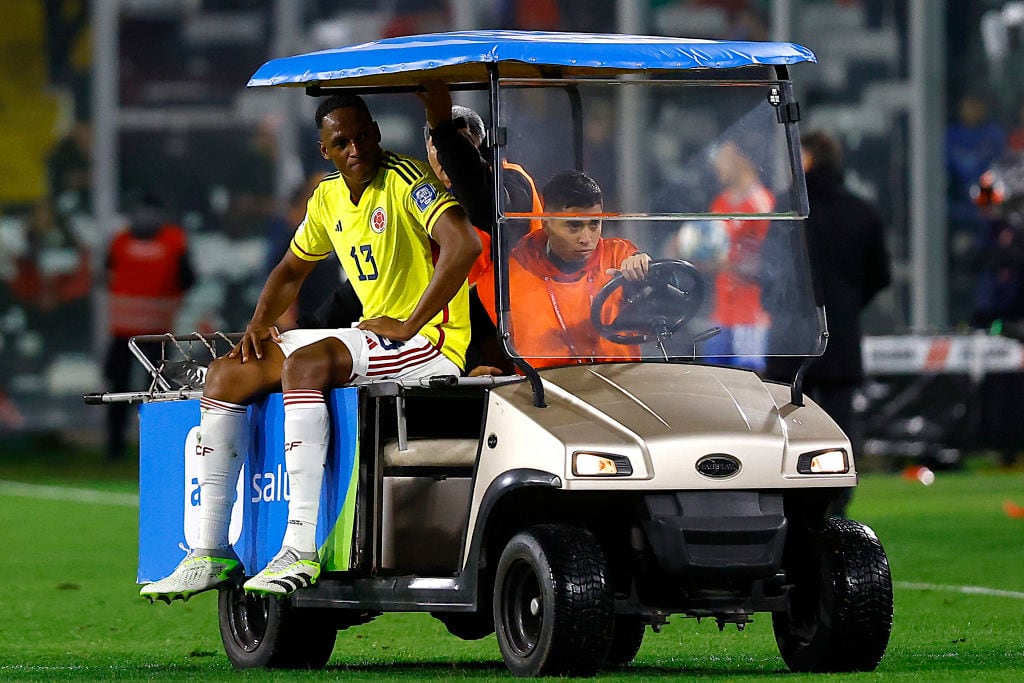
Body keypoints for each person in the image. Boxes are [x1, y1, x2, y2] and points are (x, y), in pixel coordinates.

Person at [140, 93, 481, 601]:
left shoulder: (409, 181)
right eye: (341, 141)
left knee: (305, 367)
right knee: (227, 374)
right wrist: (258, 324)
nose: (355, 148)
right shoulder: (325, 198)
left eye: (363, 136)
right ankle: (209, 550)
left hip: (430, 342)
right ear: (324, 149)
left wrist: (411, 323)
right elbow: (290, 271)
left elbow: (465, 245)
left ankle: (299, 547)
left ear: (378, 134)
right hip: (371, 333)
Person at [764, 130, 892, 517]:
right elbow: (880, 276)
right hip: (841, 334)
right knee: (839, 423)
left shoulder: (788, 212)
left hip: (791, 338)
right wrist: (848, 306)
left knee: (785, 417)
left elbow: (769, 273)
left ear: (806, 161)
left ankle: (785, 498)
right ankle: (835, 502)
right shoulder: (862, 211)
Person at [475, 170, 650, 369]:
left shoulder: (620, 256)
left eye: (594, 224)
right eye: (573, 226)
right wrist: (477, 365)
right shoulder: (509, 277)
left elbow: (668, 294)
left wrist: (644, 272)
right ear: (546, 224)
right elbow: (478, 339)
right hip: (543, 393)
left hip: (623, 387)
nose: (586, 239)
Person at [104, 193, 195, 461]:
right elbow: (188, 279)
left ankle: (119, 446)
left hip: (132, 331)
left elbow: (106, 274)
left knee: (125, 390)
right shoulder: (172, 241)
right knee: (151, 390)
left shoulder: (123, 240)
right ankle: (150, 445)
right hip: (151, 331)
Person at [703, 139, 775, 372]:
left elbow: (771, 263)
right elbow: (709, 254)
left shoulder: (762, 204)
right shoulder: (720, 203)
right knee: (714, 384)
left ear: (741, 159)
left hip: (751, 317)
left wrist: (730, 263)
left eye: (723, 158)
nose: (717, 165)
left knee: (750, 385)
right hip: (721, 314)